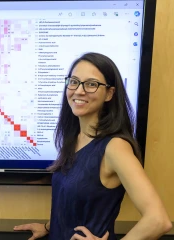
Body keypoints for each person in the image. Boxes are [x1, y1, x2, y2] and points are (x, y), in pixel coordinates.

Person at [14, 52, 172, 239]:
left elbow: (159, 220)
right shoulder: (76, 138)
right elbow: (75, 205)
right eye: (74, 81)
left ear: (109, 93)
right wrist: (49, 227)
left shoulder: (115, 147)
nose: (79, 91)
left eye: (91, 84)